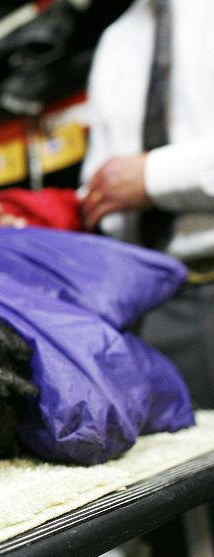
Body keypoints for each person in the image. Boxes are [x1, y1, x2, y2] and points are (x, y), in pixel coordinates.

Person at [79, 0, 214, 408]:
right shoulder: (116, 40)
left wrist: (154, 177)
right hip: (159, 307)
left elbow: (136, 178)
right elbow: (104, 181)